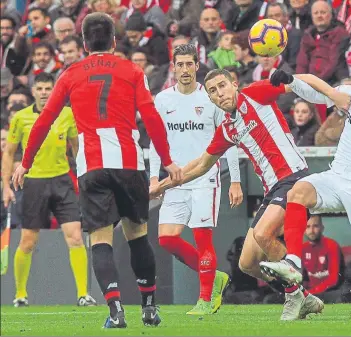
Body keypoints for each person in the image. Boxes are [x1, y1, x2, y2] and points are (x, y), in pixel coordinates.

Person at [12, 12, 182, 329]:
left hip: (91, 166)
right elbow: (151, 116)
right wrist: (167, 159)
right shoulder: (132, 70)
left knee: (100, 240)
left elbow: (44, 121)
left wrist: (25, 162)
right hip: (130, 163)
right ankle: (148, 308)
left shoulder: (70, 74)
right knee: (137, 235)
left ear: (85, 43)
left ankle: (116, 311)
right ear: (115, 41)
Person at [150, 68, 329, 321]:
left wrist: (333, 95)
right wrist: (162, 186)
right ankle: (302, 296)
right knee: (247, 264)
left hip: (293, 177)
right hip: (271, 191)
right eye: (212, 91)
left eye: (222, 86)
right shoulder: (227, 129)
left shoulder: (254, 94)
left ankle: (295, 296)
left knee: (263, 234)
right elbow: (201, 165)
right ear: (210, 99)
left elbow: (301, 81)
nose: (219, 93)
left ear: (234, 84)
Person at [259, 50, 351, 320]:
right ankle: (293, 261)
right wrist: (290, 82)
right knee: (298, 191)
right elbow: (318, 93)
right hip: (337, 174)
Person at [150, 44, 243, 315]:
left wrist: (235, 181)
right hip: (175, 180)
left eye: (189, 64)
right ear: (173, 67)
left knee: (203, 239)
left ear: (196, 66)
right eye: (179, 65)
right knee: (167, 239)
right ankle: (215, 277)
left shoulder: (210, 99)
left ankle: (205, 299)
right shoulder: (163, 99)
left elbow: (230, 140)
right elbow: (157, 142)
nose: (184, 70)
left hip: (205, 178)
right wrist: (154, 180)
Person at [1, 72, 96, 308]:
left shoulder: (66, 114)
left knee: (75, 236)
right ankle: (20, 295)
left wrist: (85, 178)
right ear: (33, 91)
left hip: (62, 181)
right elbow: (10, 153)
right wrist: (5, 186)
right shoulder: (20, 118)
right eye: (40, 89)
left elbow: (77, 148)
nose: (44, 93)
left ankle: (83, 294)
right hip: (33, 182)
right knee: (28, 241)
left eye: (48, 89)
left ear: (54, 91)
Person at [302, 215, 345, 302]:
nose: (311, 231)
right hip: (310, 292)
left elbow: (333, 280)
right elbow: (303, 278)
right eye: (308, 227)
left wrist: (311, 293)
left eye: (315, 226)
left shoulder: (331, 245)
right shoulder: (303, 248)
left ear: (322, 228)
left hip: (330, 291)